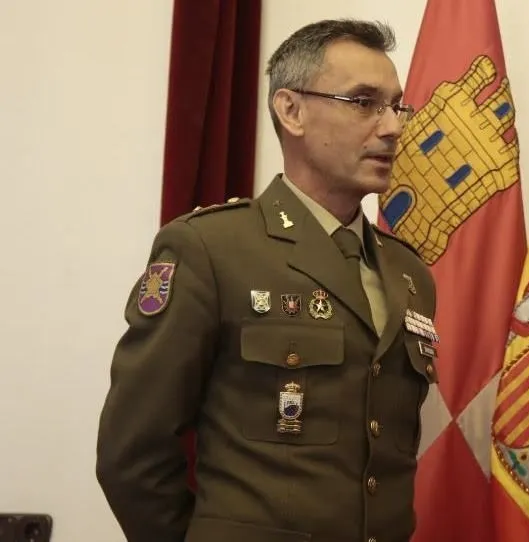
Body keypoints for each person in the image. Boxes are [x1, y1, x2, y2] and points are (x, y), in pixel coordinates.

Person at [95, 19, 440, 542]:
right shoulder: (212, 250)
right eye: (364, 103)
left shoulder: (409, 275)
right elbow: (132, 453)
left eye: (397, 106)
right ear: (291, 111)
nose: (392, 127)